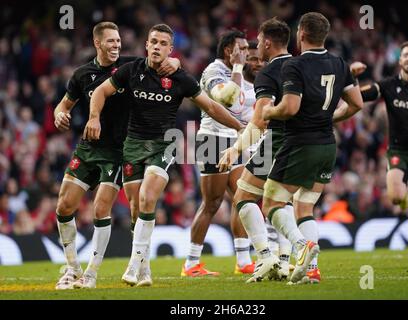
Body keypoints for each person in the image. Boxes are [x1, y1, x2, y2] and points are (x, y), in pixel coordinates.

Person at [84, 23, 243, 287]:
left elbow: (212, 107)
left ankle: (134, 265)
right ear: (146, 44)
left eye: (162, 44)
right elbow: (101, 91)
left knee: (148, 196)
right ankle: (145, 270)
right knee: (136, 208)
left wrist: (240, 127)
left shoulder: (180, 78)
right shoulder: (131, 70)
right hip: (133, 145)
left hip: (165, 144)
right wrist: (94, 117)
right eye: (153, 42)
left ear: (171, 49)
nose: (157, 47)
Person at [53, 22, 179, 290]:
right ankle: (72, 268)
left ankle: (91, 273)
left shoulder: (131, 67)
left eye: (119, 41)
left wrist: (176, 63)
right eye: (111, 41)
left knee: (101, 207)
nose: (117, 45)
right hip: (88, 148)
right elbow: (64, 104)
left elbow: (160, 60)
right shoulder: (82, 74)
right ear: (97, 43)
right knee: (64, 206)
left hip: (119, 151)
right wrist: (59, 114)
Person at [256, 12, 363, 284]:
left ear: (301, 33)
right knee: (304, 207)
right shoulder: (340, 63)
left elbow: (290, 108)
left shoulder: (294, 65)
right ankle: (312, 269)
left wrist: (270, 111)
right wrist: (330, 117)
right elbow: (357, 104)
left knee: (271, 201)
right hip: (328, 146)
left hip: (300, 144)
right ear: (324, 34)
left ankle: (301, 246)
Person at [218, 18, 295, 281]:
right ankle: (284, 260)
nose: (255, 53)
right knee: (282, 201)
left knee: (243, 197)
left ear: (267, 44)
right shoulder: (298, 67)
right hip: (300, 142)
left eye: (259, 45)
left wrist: (235, 150)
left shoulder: (267, 75)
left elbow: (260, 120)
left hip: (273, 141)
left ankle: (268, 257)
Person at [345, 41, 408, 260]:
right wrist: (352, 78)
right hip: (397, 149)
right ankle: (401, 199)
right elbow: (360, 97)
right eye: (405, 55)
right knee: (396, 198)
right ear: (400, 59)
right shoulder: (388, 84)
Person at [182, 30, 256, 277]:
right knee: (212, 203)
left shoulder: (236, 73)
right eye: (242, 48)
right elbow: (227, 99)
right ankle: (191, 264)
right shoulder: (214, 71)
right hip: (212, 140)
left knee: (243, 196)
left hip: (235, 142)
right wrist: (237, 67)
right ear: (228, 51)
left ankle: (244, 260)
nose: (247, 53)